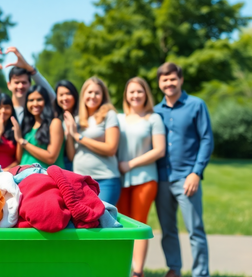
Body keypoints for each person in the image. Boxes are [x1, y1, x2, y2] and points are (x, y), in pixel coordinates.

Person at [153, 62, 213, 277]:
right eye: (164, 79)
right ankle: (174, 269)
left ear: (181, 80)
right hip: (160, 179)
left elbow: (206, 139)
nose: (169, 83)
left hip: (187, 178)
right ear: (159, 83)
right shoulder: (154, 111)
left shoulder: (197, 105)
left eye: (173, 79)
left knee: (195, 230)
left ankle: (200, 273)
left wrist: (196, 172)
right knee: (167, 230)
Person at [116, 77, 166, 277]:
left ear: (146, 94)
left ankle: (138, 272)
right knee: (122, 226)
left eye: (139, 91)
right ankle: (123, 268)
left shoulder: (154, 118)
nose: (135, 95)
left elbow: (160, 150)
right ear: (126, 95)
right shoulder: (118, 119)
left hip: (145, 179)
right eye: (131, 92)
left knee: (139, 222)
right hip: (120, 180)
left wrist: (131, 164)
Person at [64, 77, 121, 205]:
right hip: (80, 180)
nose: (93, 96)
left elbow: (111, 149)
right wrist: (70, 135)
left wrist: (79, 137)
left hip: (105, 180)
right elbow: (72, 155)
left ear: (103, 96)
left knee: (102, 221)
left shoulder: (109, 115)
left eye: (97, 93)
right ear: (83, 94)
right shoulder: (77, 119)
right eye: (89, 92)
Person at [12, 85, 64, 168]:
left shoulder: (55, 123)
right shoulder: (27, 125)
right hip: (23, 175)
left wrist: (22, 141)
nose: (35, 104)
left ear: (46, 101)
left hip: (44, 175)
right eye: (31, 100)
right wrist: (18, 135)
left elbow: (51, 158)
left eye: (39, 99)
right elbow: (19, 158)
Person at [5, 47, 56, 123]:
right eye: (16, 82)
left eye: (24, 82)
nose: (20, 86)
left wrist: (30, 69)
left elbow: (52, 96)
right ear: (9, 85)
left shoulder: (36, 109)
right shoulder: (4, 110)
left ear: (30, 84)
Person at [54, 79, 79, 171]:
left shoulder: (82, 118)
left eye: (68, 93)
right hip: (59, 166)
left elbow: (71, 157)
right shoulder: (55, 119)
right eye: (61, 95)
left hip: (76, 167)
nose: (64, 98)